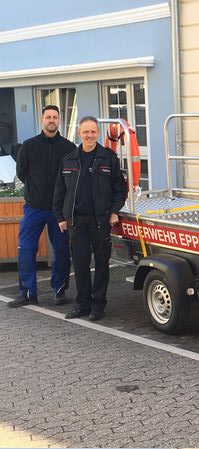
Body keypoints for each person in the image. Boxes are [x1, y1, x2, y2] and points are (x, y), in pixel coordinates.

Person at [53, 116, 125, 321]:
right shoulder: (68, 160)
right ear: (79, 134)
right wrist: (60, 216)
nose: (89, 135)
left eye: (93, 132)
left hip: (100, 221)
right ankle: (82, 305)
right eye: (86, 132)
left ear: (98, 133)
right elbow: (59, 191)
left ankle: (98, 306)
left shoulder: (108, 158)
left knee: (101, 265)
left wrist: (114, 211)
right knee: (80, 265)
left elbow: (120, 189)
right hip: (76, 221)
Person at [8, 105, 77, 308]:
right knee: (26, 249)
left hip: (59, 211)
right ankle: (27, 293)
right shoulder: (29, 146)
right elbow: (21, 173)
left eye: (55, 117)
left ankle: (59, 291)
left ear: (59, 121)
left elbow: (72, 177)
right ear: (42, 119)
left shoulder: (68, 147)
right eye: (48, 117)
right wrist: (36, 191)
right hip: (34, 207)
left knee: (62, 251)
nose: (52, 120)